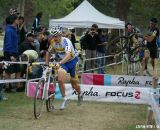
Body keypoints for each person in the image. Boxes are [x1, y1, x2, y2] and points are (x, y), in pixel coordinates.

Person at [47, 26, 83, 110]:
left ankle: (80, 94)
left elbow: (68, 55)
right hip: (64, 63)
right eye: (52, 36)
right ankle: (64, 99)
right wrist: (46, 64)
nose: (54, 38)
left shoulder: (66, 41)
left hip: (73, 62)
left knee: (74, 84)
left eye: (55, 36)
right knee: (60, 79)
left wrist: (59, 63)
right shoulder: (53, 42)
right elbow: (47, 53)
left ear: (60, 35)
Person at [3, 14, 21, 92]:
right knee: (8, 71)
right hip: (10, 53)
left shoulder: (14, 29)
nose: (18, 20)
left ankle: (18, 86)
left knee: (18, 70)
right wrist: (11, 55)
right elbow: (8, 43)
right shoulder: (9, 30)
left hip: (15, 52)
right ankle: (7, 87)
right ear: (14, 20)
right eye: (17, 19)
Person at [142, 18, 159, 89]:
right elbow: (146, 37)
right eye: (150, 23)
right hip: (148, 47)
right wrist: (143, 39)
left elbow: (150, 39)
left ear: (155, 24)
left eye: (152, 24)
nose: (150, 25)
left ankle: (155, 77)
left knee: (153, 63)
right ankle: (145, 70)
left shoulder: (156, 30)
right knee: (145, 57)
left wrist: (144, 37)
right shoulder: (148, 28)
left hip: (154, 48)